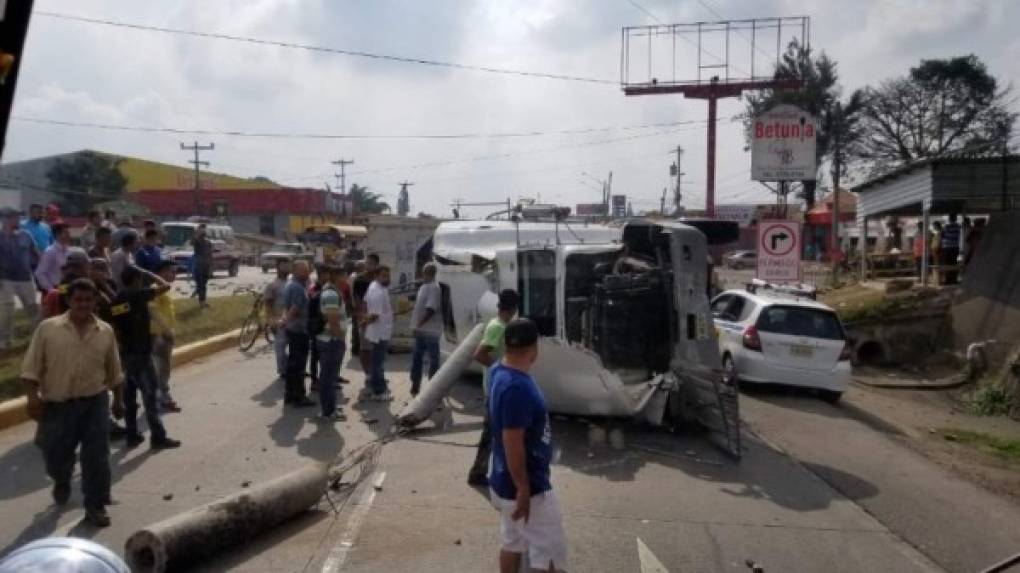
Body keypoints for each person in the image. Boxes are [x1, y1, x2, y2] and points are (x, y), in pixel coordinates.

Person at [21, 278, 124, 527]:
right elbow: (30, 368)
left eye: (89, 300)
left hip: (95, 403)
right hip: (58, 406)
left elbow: (115, 372)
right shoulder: (48, 329)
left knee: (97, 457)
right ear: (69, 300)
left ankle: (95, 506)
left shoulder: (105, 331)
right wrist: (32, 398)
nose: (83, 304)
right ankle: (62, 480)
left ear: (95, 302)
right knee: (56, 457)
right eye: (78, 299)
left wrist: (118, 401)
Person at [488, 318, 566, 573]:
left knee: (514, 542)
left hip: (506, 480)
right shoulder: (516, 388)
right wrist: (523, 488)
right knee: (548, 552)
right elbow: (512, 442)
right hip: (528, 488)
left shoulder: (499, 371)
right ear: (535, 347)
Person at [109, 266, 180, 450]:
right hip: (141, 354)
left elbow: (115, 327)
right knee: (150, 397)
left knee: (130, 399)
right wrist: (149, 273)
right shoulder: (139, 295)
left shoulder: (117, 299)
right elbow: (166, 285)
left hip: (125, 355)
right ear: (136, 280)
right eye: (141, 279)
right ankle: (158, 437)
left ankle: (132, 435)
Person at [468, 289, 519, 487]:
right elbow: (479, 354)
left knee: (498, 433)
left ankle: (488, 471)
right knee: (491, 433)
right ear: (513, 308)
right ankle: (477, 472)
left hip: (498, 387)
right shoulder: (498, 327)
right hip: (495, 389)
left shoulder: (498, 324)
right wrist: (502, 368)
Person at [0, 208, 40, 348]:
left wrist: (39, 271)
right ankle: (5, 341)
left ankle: (38, 338)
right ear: (4, 219)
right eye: (14, 217)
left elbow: (36, 254)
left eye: (18, 217)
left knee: (33, 308)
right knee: (8, 308)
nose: (18, 220)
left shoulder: (26, 235)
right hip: (5, 278)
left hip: (25, 277)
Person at [280, 260, 315, 407]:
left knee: (293, 364)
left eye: (307, 270)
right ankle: (298, 396)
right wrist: (285, 321)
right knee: (298, 365)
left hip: (294, 329)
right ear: (295, 271)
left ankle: (289, 394)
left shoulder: (292, 285)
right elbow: (294, 309)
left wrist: (285, 321)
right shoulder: (297, 288)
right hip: (299, 330)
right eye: (303, 270)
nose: (307, 273)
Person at [316, 265, 348, 421]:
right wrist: (340, 338)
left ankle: (330, 408)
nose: (347, 279)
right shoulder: (331, 294)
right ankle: (328, 412)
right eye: (345, 275)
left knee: (329, 377)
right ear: (338, 276)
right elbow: (333, 320)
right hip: (331, 340)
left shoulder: (331, 290)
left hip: (329, 340)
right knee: (328, 378)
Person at [409, 262, 443, 397]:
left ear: (428, 273)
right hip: (422, 331)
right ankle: (415, 386)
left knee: (433, 359)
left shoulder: (434, 288)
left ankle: (431, 388)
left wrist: (418, 325)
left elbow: (431, 310)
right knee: (417, 358)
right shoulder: (424, 287)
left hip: (430, 331)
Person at [151, 260, 180, 413]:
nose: (173, 274)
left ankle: (162, 397)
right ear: (161, 272)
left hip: (164, 334)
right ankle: (161, 398)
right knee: (162, 368)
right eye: (170, 271)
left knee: (164, 367)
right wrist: (166, 332)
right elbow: (153, 311)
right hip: (159, 336)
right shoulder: (156, 289)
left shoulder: (163, 289)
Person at [361, 264, 393, 402]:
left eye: (388, 275)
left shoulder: (374, 286)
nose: (387, 278)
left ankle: (375, 388)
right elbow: (374, 315)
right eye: (384, 276)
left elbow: (364, 302)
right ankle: (378, 392)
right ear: (376, 276)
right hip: (380, 332)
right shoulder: (378, 291)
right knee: (377, 363)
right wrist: (363, 322)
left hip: (378, 330)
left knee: (376, 362)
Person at [39, 247, 90, 319]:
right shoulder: (79, 284)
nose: (88, 268)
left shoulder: (64, 282)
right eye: (87, 265)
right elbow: (63, 303)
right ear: (81, 265)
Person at [264, 259, 292, 378]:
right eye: (283, 265)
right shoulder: (272, 285)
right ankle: (283, 370)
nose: (286, 268)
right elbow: (268, 305)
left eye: (287, 265)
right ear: (277, 268)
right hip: (279, 321)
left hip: (293, 320)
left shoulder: (292, 283)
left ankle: (293, 367)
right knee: (280, 347)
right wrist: (271, 322)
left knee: (295, 348)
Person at [307, 264, 327, 391]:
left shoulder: (327, 289)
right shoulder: (314, 289)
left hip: (323, 325)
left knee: (325, 354)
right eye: (323, 276)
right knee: (315, 355)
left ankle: (326, 378)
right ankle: (314, 380)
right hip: (316, 326)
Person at [34, 223, 71, 292]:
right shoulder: (50, 252)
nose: (69, 235)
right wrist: (51, 289)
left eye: (68, 233)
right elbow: (39, 273)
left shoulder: (68, 251)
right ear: (57, 234)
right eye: (66, 232)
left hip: (64, 287)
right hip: (53, 288)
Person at [191, 223, 213, 308]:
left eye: (204, 228)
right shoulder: (197, 241)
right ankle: (202, 302)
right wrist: (197, 233)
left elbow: (210, 254)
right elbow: (192, 242)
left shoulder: (208, 242)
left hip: (206, 266)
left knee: (204, 284)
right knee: (201, 284)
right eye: (201, 228)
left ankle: (203, 300)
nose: (203, 230)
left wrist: (211, 266)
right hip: (198, 265)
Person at [941, 213, 962, 284]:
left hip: (947, 247)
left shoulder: (946, 227)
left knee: (947, 263)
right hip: (955, 247)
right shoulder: (958, 227)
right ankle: (954, 279)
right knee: (954, 263)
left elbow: (943, 236)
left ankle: (948, 280)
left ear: (949, 219)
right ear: (955, 219)